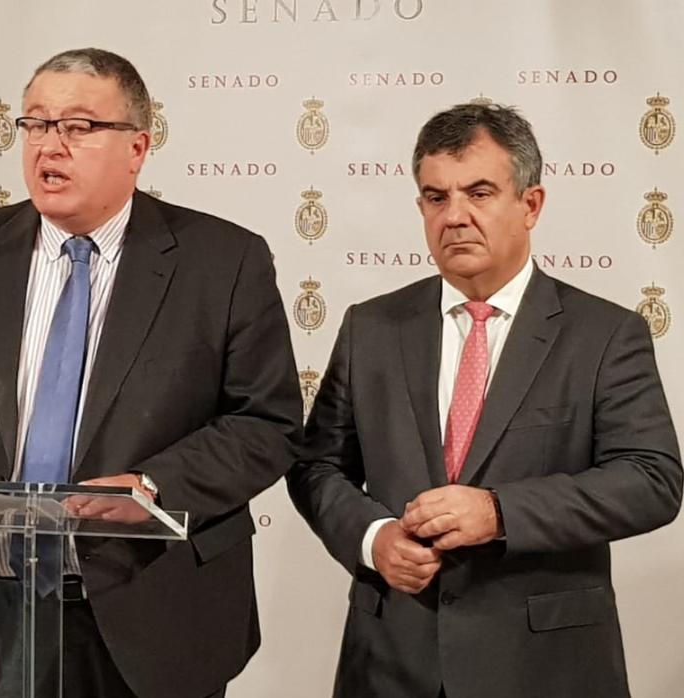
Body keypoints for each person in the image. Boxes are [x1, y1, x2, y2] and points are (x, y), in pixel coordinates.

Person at [0, 48, 301, 698]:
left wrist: (152, 486)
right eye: (36, 124)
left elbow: (264, 422)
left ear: (137, 147)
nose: (50, 145)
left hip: (151, 609)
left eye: (78, 126)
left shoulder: (222, 261)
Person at [287, 102, 683, 697]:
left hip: (546, 667)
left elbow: (652, 481)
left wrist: (499, 512)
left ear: (530, 205)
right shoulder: (371, 327)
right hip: (392, 662)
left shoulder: (604, 334)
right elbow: (315, 466)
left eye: (479, 192)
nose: (456, 216)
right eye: (436, 197)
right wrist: (374, 539)